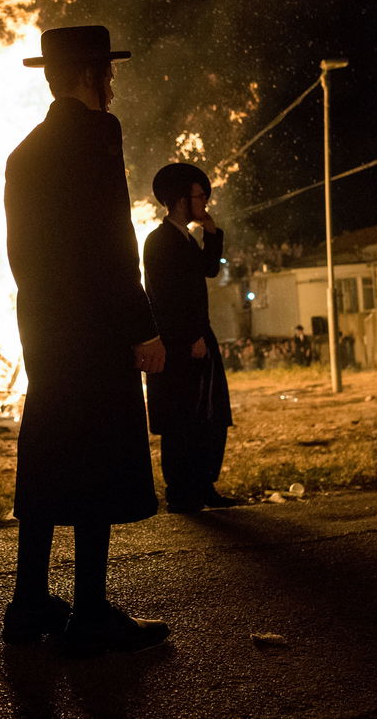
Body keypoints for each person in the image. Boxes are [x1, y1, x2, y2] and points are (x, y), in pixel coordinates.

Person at [3, 24, 170, 656]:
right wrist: (141, 325)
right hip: (96, 330)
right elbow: (111, 236)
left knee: (49, 457)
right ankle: (92, 611)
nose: (113, 83)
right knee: (100, 458)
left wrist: (41, 321)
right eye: (108, 72)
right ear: (91, 76)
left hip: (45, 331)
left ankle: (27, 604)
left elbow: (22, 255)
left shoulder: (24, 152)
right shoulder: (100, 133)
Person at [143, 163, 237, 513]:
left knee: (209, 415)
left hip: (199, 336)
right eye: (200, 196)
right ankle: (181, 492)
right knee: (181, 419)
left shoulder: (183, 238)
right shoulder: (160, 241)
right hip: (181, 342)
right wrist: (190, 338)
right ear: (182, 199)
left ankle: (204, 485)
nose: (205, 202)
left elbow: (209, 268)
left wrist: (210, 229)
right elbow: (166, 299)